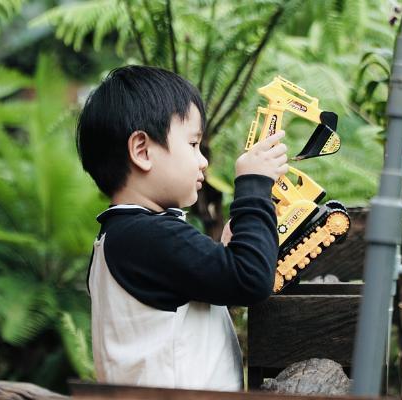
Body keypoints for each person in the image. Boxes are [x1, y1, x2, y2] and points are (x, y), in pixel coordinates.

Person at [76, 65, 288, 391]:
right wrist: (254, 186)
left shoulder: (121, 237)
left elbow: (206, 285)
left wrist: (226, 252)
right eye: (193, 144)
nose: (203, 160)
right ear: (142, 151)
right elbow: (250, 279)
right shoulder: (147, 237)